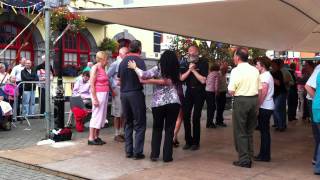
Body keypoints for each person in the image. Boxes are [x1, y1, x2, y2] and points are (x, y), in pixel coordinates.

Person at [128, 50, 181, 162]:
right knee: (169, 130)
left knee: (157, 128)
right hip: (173, 102)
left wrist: (134, 67)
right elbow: (170, 82)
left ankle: (154, 155)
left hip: (158, 103)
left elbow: (143, 75)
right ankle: (167, 157)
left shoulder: (158, 68)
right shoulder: (176, 70)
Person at [228, 47, 260, 168]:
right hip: (254, 99)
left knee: (240, 130)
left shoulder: (236, 71)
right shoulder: (255, 70)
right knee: (249, 130)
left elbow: (231, 90)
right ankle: (249, 155)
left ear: (237, 57)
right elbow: (259, 88)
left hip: (241, 100)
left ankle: (244, 159)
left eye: (234, 56)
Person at [118, 40, 147, 160]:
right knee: (140, 124)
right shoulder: (140, 60)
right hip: (135, 93)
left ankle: (128, 151)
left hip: (124, 94)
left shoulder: (123, 61)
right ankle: (138, 152)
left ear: (130, 48)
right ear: (139, 49)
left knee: (128, 123)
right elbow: (143, 78)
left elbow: (119, 80)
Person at [181, 46, 208, 151]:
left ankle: (196, 142)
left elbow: (203, 80)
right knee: (186, 115)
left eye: (193, 52)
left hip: (199, 91)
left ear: (197, 52)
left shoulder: (203, 63)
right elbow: (181, 78)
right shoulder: (185, 63)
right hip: (189, 91)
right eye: (189, 53)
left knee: (196, 117)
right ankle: (188, 141)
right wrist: (189, 69)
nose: (191, 54)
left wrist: (193, 70)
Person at [254, 57, 274, 162]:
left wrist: (257, 106)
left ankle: (265, 155)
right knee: (263, 131)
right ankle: (263, 154)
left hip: (265, 106)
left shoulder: (265, 76)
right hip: (266, 106)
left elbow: (263, 93)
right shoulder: (265, 75)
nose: (256, 66)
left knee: (264, 132)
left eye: (257, 64)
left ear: (262, 65)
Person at [88, 51, 109, 145]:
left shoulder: (103, 68)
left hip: (104, 94)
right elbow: (92, 84)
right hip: (98, 94)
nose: (107, 61)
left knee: (102, 116)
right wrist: (95, 98)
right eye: (106, 59)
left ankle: (96, 136)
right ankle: (91, 138)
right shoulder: (95, 67)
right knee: (96, 115)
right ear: (102, 59)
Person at [107, 47, 128, 142]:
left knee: (124, 112)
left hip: (125, 90)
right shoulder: (115, 64)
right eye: (126, 53)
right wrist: (113, 87)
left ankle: (122, 132)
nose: (128, 54)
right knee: (118, 113)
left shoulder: (126, 63)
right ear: (120, 54)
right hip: (118, 90)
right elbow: (107, 76)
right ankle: (116, 134)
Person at [305, 62, 320, 168]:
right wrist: (317, 99)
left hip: (316, 105)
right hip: (316, 105)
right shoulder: (318, 69)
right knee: (318, 136)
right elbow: (308, 86)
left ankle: (317, 162)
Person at [271, 59, 287, 131]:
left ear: (277, 65)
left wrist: (271, 78)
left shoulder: (278, 72)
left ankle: (281, 125)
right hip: (275, 93)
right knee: (278, 110)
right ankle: (278, 124)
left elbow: (278, 83)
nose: (272, 66)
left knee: (277, 109)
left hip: (281, 93)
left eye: (273, 64)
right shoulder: (272, 72)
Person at [205, 63, 220, 128]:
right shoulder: (217, 74)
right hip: (212, 92)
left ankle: (208, 122)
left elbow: (206, 82)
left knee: (209, 108)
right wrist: (217, 92)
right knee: (212, 108)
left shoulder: (209, 74)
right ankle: (210, 123)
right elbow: (216, 84)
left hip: (207, 91)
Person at [216, 62, 228, 127]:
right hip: (219, 93)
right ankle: (219, 121)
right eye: (225, 68)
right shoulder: (219, 74)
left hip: (223, 92)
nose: (226, 69)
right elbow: (217, 84)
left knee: (222, 107)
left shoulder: (224, 74)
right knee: (220, 108)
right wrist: (217, 92)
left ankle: (220, 120)